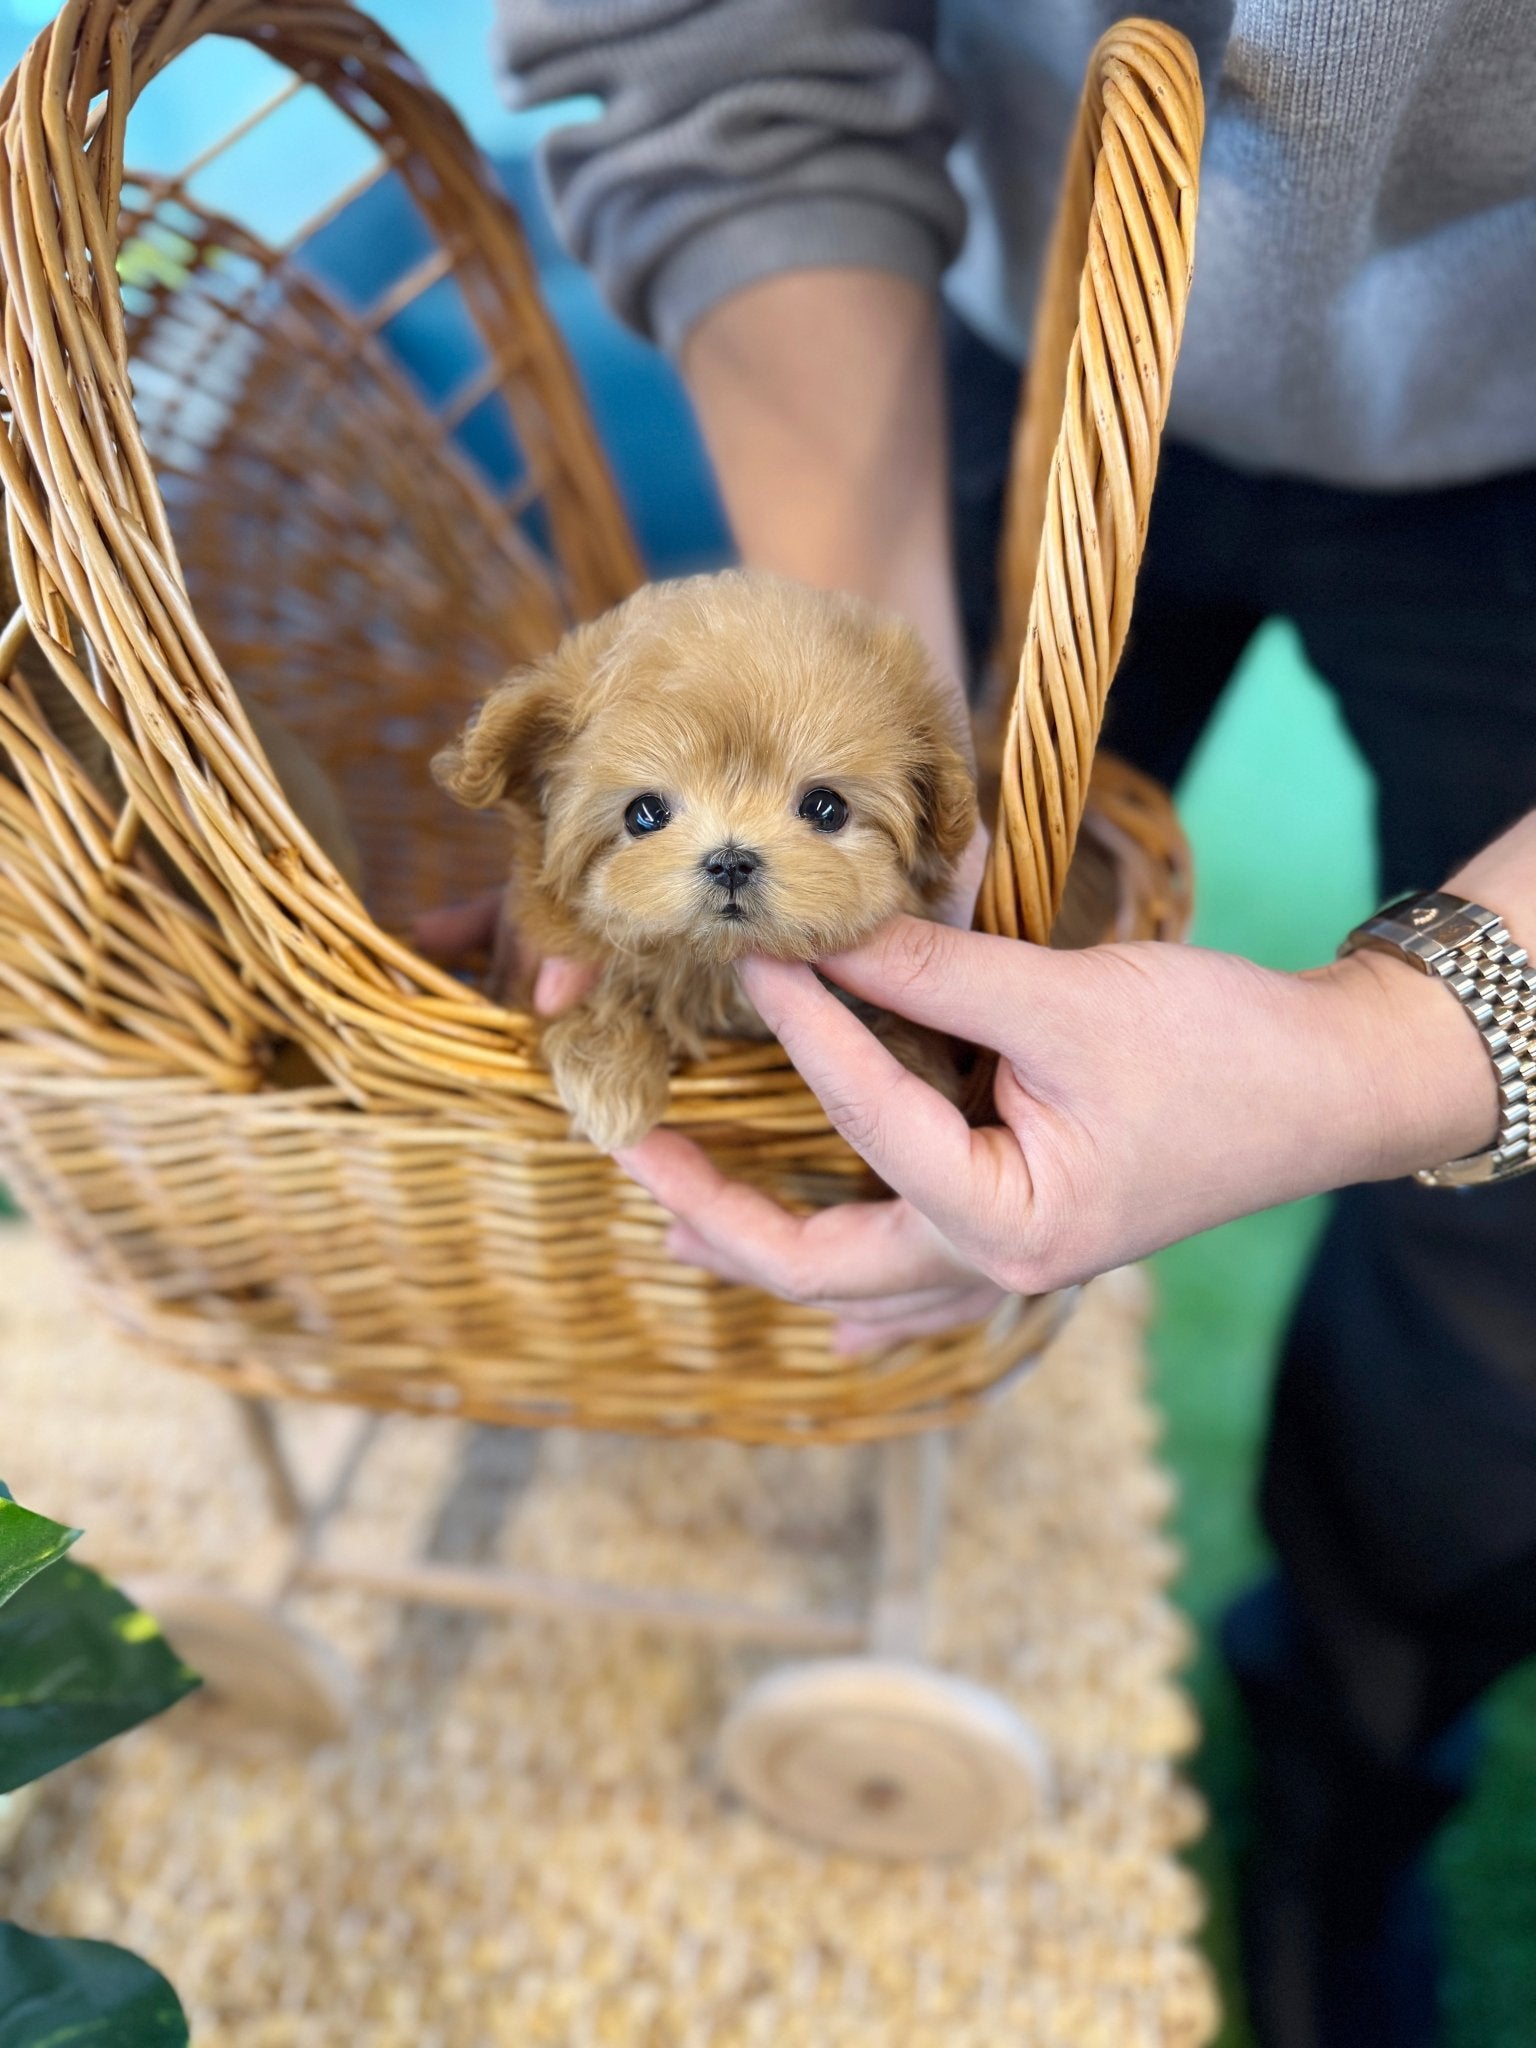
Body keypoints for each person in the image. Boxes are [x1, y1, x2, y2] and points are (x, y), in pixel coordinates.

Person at [418, 9, 1536, 2042]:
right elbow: (715, 43)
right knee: (812, 1073)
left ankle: (1354, 1765)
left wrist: (1395, 1051)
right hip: (958, 301)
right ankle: (768, 1483)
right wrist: (861, 709)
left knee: (1511, 1296)